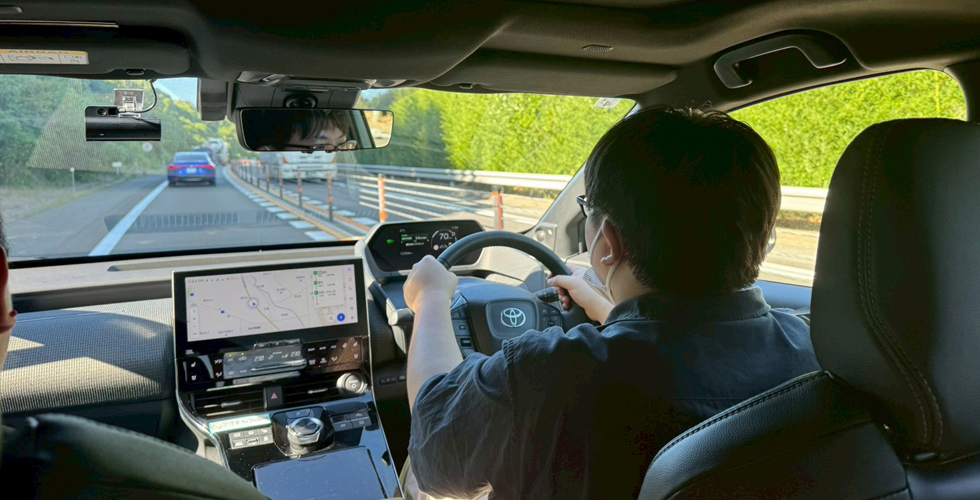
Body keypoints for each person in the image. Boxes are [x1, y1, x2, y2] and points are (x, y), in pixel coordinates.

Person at [402, 107, 821, 499]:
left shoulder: (547, 375)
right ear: (762, 234)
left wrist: (430, 298)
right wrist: (611, 314)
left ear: (607, 242)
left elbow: (434, 441)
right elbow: (687, 355)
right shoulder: (818, 350)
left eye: (587, 211)